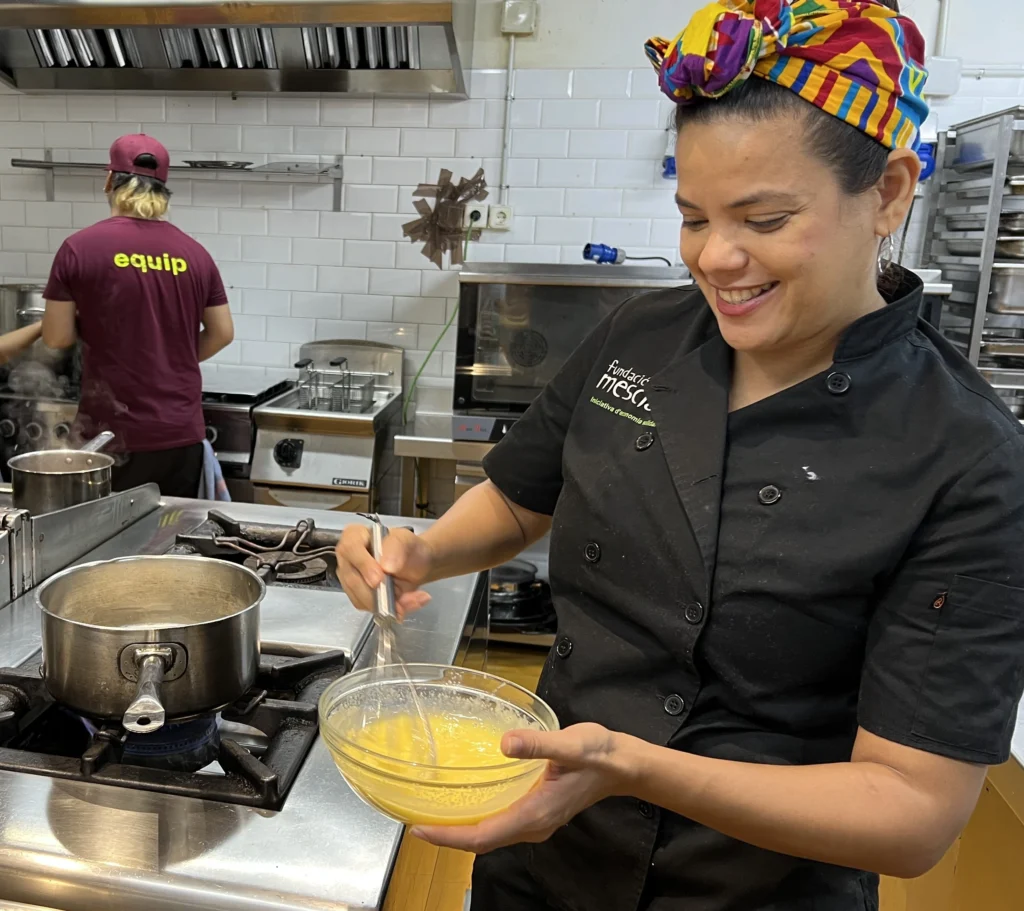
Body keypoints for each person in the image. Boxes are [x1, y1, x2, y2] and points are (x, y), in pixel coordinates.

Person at [336, 1, 1024, 909]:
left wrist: (632, 767)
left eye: (766, 218)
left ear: (891, 191)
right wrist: (425, 549)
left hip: (753, 889)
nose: (717, 257)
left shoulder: (967, 455)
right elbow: (517, 499)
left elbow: (910, 812)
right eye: (694, 217)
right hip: (543, 858)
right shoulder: (640, 335)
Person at [41, 134, 234, 497]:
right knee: (175, 542)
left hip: (112, 436)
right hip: (180, 434)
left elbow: (56, 338)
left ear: (108, 181)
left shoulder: (79, 249)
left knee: (110, 544)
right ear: (163, 190)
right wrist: (167, 358)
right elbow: (222, 332)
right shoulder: (194, 253)